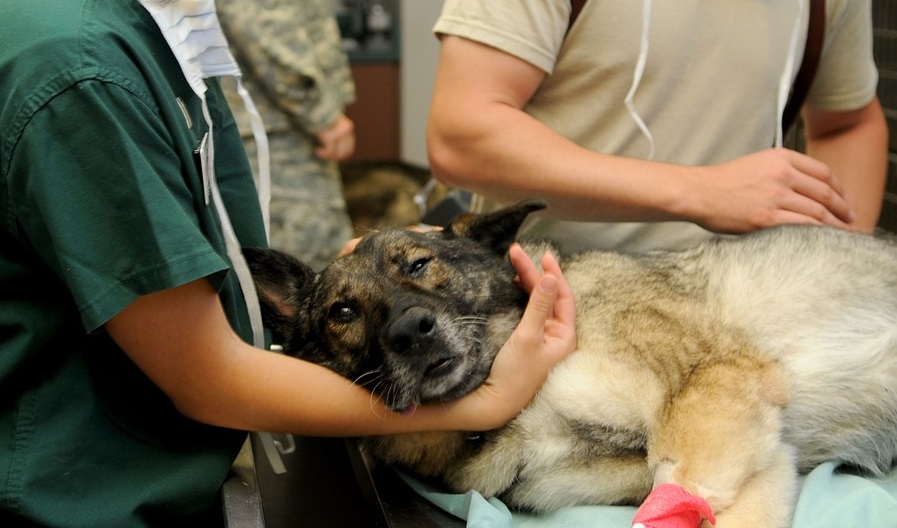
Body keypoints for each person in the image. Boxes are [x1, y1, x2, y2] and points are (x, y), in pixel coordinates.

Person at [0, 1, 576, 526]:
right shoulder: (82, 77)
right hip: (85, 499)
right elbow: (206, 377)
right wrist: (491, 399)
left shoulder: (159, 30)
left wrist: (379, 272)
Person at [427, 0, 889, 254]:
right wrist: (700, 192)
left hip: (744, 311)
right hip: (552, 309)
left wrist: (836, 265)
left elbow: (847, 123)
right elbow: (462, 134)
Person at [217, 0, 358, 270]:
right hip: (275, 133)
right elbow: (263, 24)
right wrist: (322, 115)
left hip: (275, 126)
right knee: (304, 272)